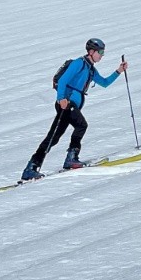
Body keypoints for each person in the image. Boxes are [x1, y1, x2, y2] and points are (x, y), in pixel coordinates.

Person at [21, 38, 129, 180]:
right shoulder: (79, 63)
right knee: (81, 125)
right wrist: (61, 99)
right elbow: (63, 81)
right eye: (100, 52)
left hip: (70, 105)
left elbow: (104, 83)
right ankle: (71, 158)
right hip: (66, 103)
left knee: (53, 137)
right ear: (91, 52)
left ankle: (32, 167)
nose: (102, 55)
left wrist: (119, 71)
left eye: (103, 52)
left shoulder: (90, 69)